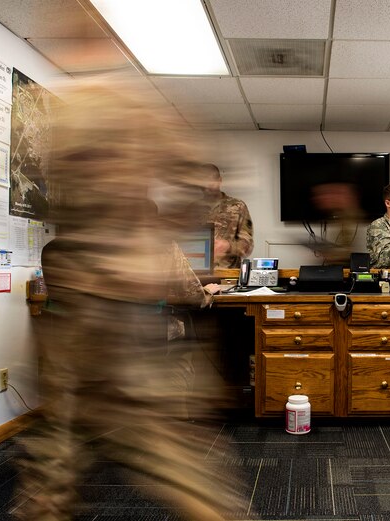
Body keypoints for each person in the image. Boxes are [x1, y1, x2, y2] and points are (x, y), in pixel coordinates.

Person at [14, 72, 246, 520]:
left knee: (51, 471)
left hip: (69, 359)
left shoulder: (56, 248)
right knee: (182, 470)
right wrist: (207, 291)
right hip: (135, 356)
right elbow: (191, 295)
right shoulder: (151, 244)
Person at [203, 163, 254, 268]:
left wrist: (228, 246)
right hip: (196, 274)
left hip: (228, 273)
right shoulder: (193, 208)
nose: (207, 186)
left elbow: (248, 246)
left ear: (219, 180)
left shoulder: (238, 206)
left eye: (211, 181)